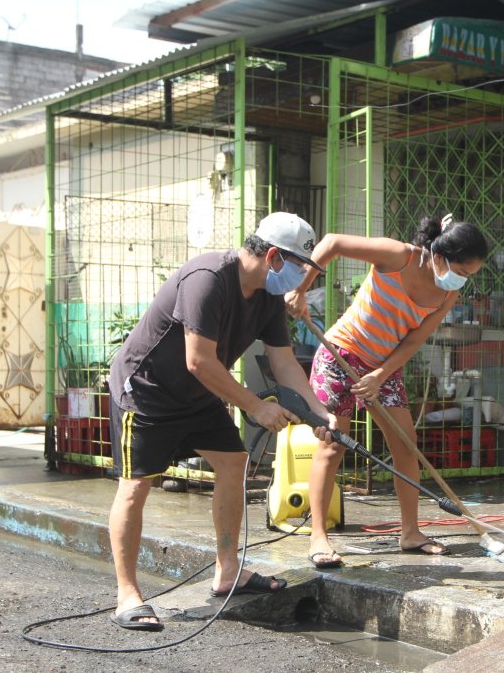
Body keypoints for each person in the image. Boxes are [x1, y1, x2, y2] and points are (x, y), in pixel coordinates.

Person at [105, 212, 333, 631]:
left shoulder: (265, 295)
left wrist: (318, 411)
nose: (306, 278)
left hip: (198, 393)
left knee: (233, 462)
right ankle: (127, 595)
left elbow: (284, 363)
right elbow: (199, 360)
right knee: (137, 486)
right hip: (146, 392)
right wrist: (255, 406)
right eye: (302, 267)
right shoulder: (208, 277)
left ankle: (228, 571)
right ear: (273, 257)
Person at [285, 215, 487, 569]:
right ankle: (318, 536)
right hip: (339, 355)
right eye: (463, 271)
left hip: (383, 368)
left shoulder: (448, 292)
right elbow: (331, 241)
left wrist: (379, 375)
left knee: (406, 446)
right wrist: (300, 289)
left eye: (470, 275)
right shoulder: (399, 256)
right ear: (440, 255)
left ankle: (410, 532)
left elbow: (414, 339)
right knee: (333, 444)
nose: (464, 280)